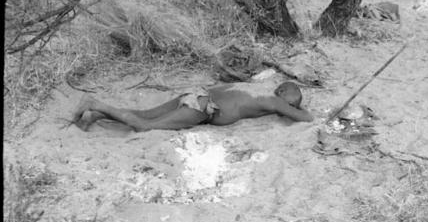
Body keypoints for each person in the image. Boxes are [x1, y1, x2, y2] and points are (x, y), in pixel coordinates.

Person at [73, 81, 314, 132]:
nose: (289, 105)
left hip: (196, 93)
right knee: (145, 125)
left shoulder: (255, 85)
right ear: (285, 96)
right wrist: (300, 109)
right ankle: (94, 102)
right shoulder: (274, 100)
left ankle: (95, 115)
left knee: (145, 114)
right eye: (293, 102)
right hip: (202, 108)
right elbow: (306, 119)